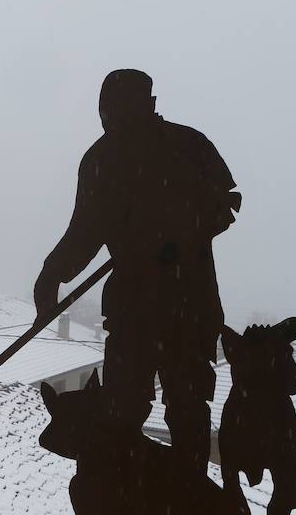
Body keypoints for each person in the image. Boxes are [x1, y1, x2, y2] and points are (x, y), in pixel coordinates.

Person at [34, 69, 240, 476]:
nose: (108, 119)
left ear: (146, 104)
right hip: (133, 305)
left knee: (186, 404)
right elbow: (84, 232)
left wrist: (178, 238)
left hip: (188, 302)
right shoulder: (100, 160)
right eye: (105, 111)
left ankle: (188, 493)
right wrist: (52, 274)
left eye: (114, 109)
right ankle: (126, 490)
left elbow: (227, 203)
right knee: (124, 406)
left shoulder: (189, 145)